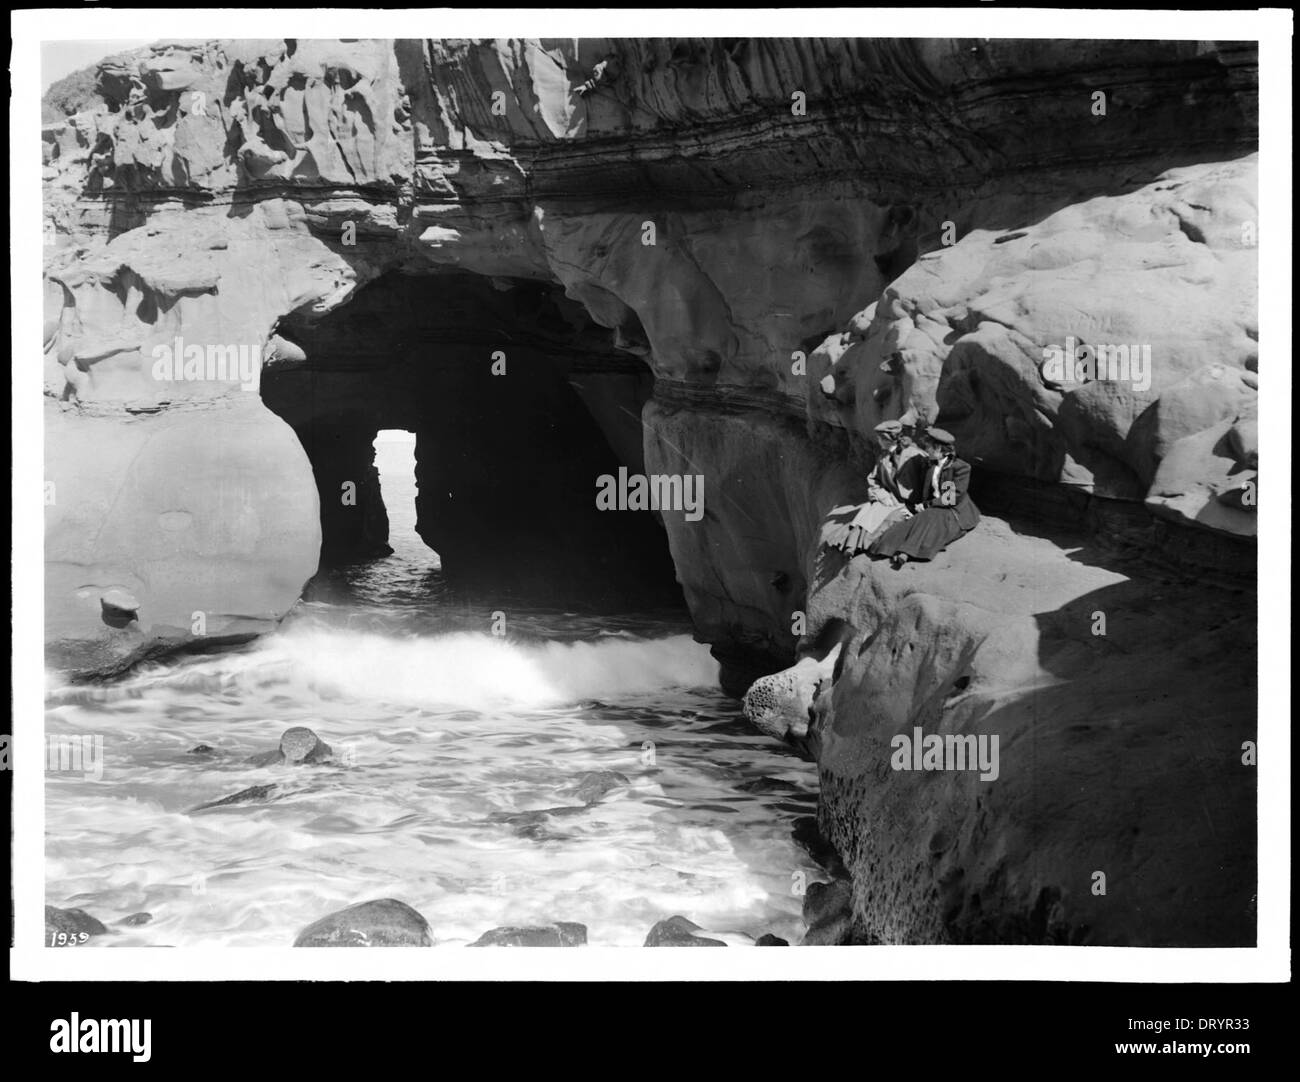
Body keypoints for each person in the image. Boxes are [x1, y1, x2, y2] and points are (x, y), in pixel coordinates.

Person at [867, 427, 980, 568]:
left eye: (930, 447)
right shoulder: (930, 464)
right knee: (910, 521)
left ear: (940, 449)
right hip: (932, 506)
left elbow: (950, 498)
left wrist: (926, 505)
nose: (927, 450)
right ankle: (886, 546)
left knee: (930, 519)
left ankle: (906, 553)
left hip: (952, 509)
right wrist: (915, 507)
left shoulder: (957, 468)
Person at [825, 420, 925, 555]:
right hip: (890, 499)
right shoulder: (884, 456)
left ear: (888, 439)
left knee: (885, 519)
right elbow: (874, 479)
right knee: (869, 511)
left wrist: (917, 503)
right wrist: (883, 494)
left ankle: (862, 545)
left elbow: (927, 482)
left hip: (909, 503)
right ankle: (851, 545)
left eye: (880, 438)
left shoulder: (914, 455)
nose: (878, 440)